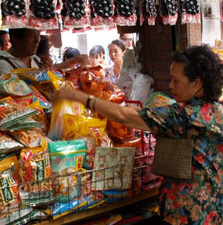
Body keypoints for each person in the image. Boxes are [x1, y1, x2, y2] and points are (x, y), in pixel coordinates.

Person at [55, 45, 223, 225]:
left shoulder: (182, 116)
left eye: (175, 80)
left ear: (196, 83)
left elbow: (123, 116)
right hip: (213, 208)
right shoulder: (216, 111)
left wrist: (80, 97)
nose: (170, 85)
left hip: (185, 213)